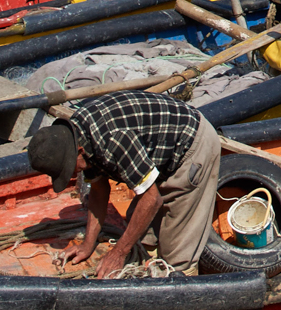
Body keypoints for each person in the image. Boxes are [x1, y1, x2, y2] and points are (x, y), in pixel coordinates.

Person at [24, 91, 222, 278]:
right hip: (157, 152)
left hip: (190, 147)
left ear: (80, 151)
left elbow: (152, 200)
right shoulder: (78, 136)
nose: (73, 174)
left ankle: (181, 297)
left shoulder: (113, 140)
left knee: (176, 255)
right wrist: (87, 244)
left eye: (70, 169)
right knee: (142, 237)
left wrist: (118, 253)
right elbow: (99, 190)